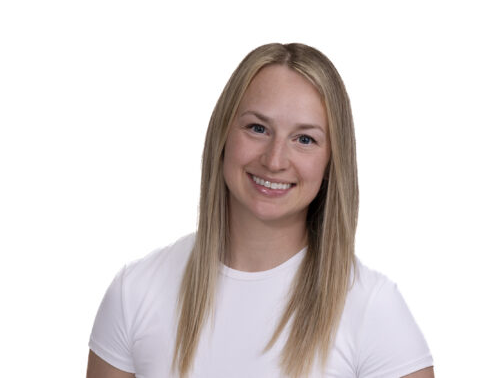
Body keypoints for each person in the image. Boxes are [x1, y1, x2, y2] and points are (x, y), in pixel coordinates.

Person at [87, 43, 434, 378]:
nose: (274, 160)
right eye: (258, 128)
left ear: (332, 161)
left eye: (305, 139)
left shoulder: (373, 309)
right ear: (223, 135)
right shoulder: (134, 293)